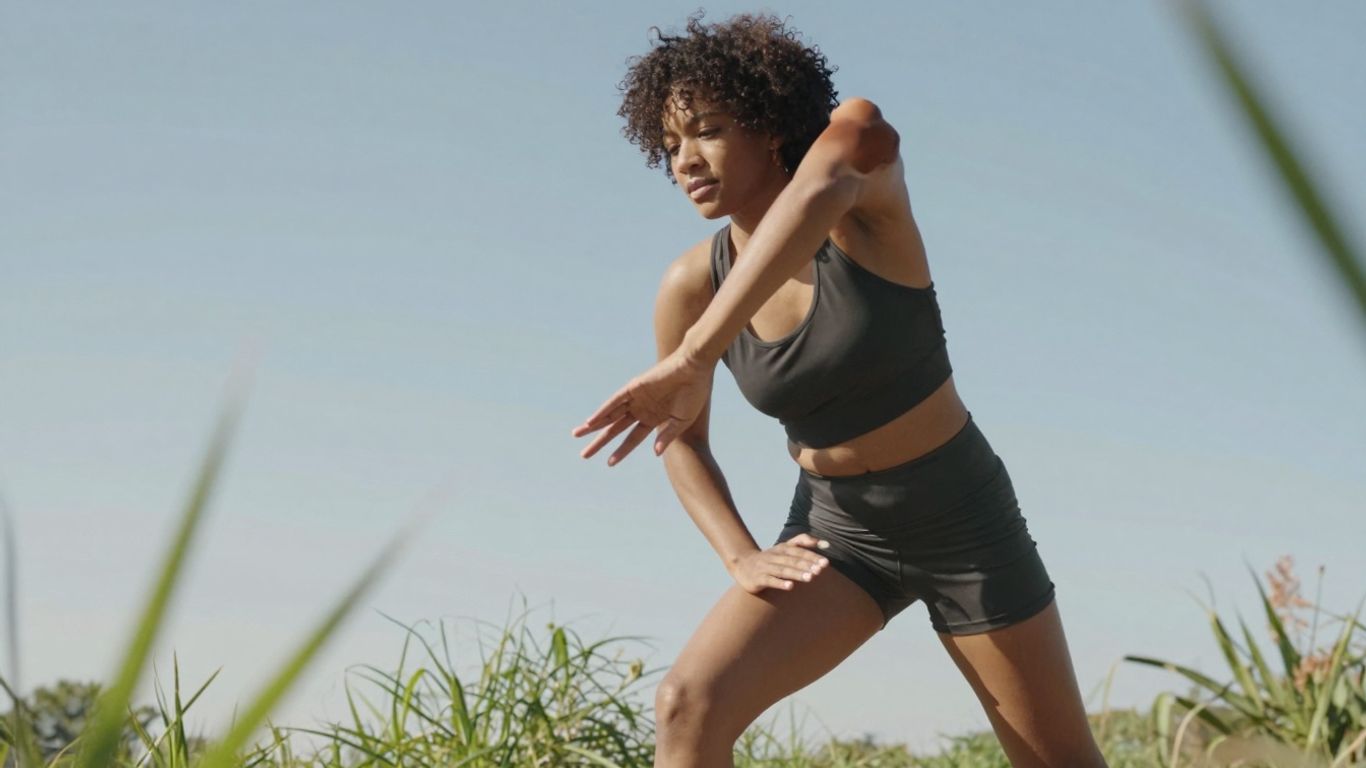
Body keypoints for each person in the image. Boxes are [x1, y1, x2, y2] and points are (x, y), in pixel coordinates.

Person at [571, 12, 1109, 768]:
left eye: (709, 130)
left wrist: (696, 355)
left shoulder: (862, 179)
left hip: (960, 518)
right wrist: (740, 555)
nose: (685, 160)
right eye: (669, 145)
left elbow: (830, 171)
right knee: (687, 706)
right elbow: (682, 439)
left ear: (771, 127)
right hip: (837, 532)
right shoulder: (691, 284)